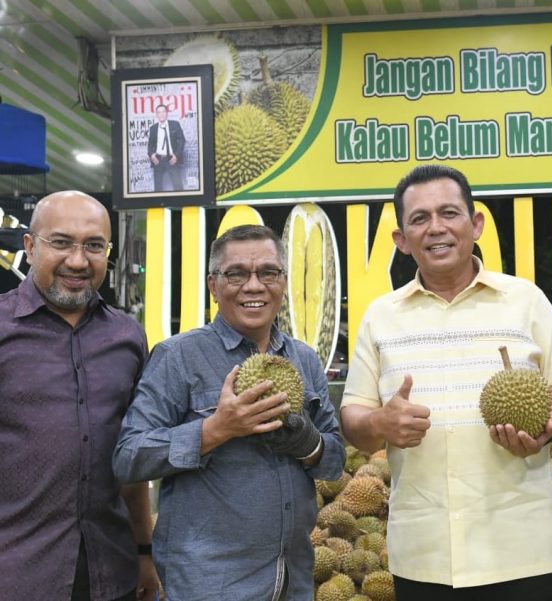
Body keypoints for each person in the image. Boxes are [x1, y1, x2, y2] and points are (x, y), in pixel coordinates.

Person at [340, 164, 552, 600]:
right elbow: (353, 417)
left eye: (449, 213)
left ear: (476, 225)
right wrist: (379, 423)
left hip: (525, 545)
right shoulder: (380, 317)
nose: (436, 227)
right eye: (419, 218)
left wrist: (546, 426)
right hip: (426, 554)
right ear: (401, 240)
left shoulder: (525, 300)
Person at [113, 224, 345, 600]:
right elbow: (129, 457)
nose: (254, 286)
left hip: (293, 579)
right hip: (210, 585)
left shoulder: (304, 359)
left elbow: (333, 462)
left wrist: (309, 444)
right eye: (236, 274)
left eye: (268, 272)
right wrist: (216, 429)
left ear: (283, 282)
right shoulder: (178, 357)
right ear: (213, 285)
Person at [0, 191, 157, 600]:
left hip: (112, 573)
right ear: (30, 246)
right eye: (61, 242)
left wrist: (144, 551)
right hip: (16, 576)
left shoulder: (127, 337)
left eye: (93, 246)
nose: (77, 260)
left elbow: (132, 461)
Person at [146, 103, 185, 192]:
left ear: (167, 113)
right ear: (156, 114)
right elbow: (150, 145)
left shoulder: (175, 125)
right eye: (159, 112)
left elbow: (182, 140)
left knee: (178, 187)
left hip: (171, 159)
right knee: (158, 189)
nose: (161, 114)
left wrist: (176, 155)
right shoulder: (153, 128)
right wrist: (151, 155)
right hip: (158, 159)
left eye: (163, 112)